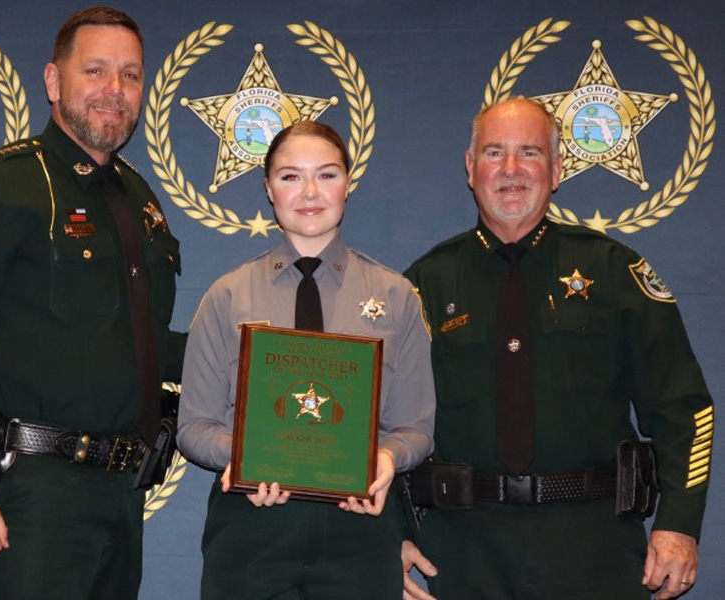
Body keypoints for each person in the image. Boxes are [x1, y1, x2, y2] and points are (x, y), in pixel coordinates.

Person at [0, 7, 184, 599]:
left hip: (122, 492)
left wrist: (253, 350)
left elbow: (140, 345)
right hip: (34, 492)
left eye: (131, 75)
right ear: (54, 82)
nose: (115, 90)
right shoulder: (5, 186)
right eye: (96, 71)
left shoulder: (139, 199)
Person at [401, 97, 713, 600]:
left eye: (529, 152)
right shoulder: (423, 285)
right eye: (494, 152)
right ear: (470, 166)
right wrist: (392, 532)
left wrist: (678, 524)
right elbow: (386, 425)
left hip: (595, 546)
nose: (510, 170)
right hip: (462, 549)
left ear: (557, 168)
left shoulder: (614, 272)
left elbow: (684, 409)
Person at [177, 120, 436, 600]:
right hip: (251, 524)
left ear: (348, 183)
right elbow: (194, 426)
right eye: (291, 176)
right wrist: (242, 455)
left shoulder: (396, 296)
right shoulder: (227, 296)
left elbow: (416, 428)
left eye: (328, 174)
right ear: (268, 188)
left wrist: (384, 458)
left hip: (360, 527)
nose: (310, 191)